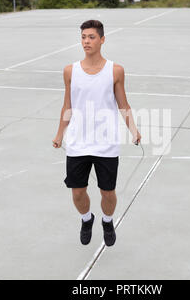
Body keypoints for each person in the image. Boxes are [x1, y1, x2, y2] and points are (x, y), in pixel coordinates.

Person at [52, 19, 141, 247]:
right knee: (78, 193)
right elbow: (67, 106)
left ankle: (108, 221)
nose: (86, 41)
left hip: (106, 143)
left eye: (91, 37)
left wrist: (133, 130)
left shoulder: (116, 71)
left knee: (108, 194)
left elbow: (123, 105)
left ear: (102, 39)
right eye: (83, 37)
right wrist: (60, 133)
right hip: (77, 143)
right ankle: (86, 219)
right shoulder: (70, 71)